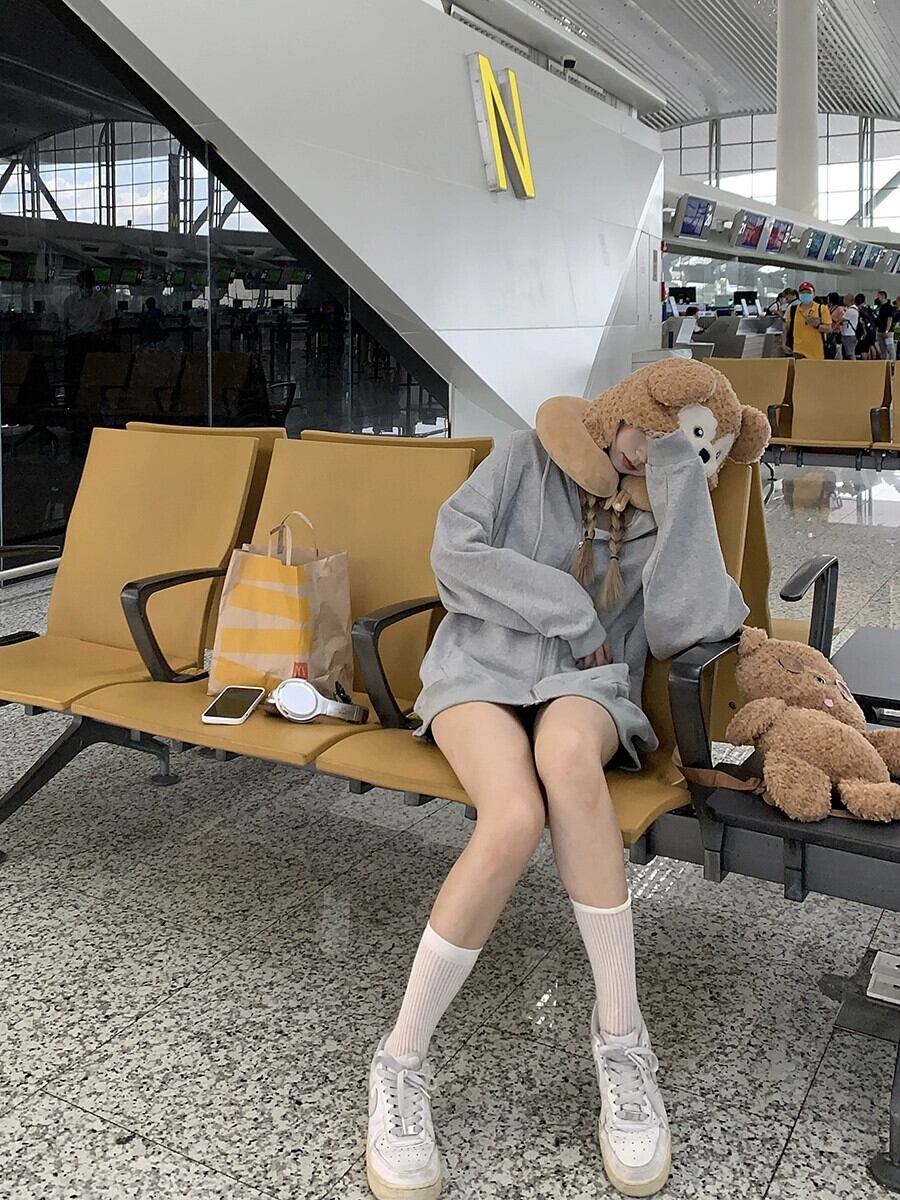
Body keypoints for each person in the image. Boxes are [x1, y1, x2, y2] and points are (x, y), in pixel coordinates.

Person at [365, 360, 768, 1200]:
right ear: (622, 407)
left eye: (675, 444)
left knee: (567, 762)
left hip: (588, 688)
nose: (644, 451)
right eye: (646, 429)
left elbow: (686, 625)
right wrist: (572, 612)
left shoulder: (668, 499)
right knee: (512, 818)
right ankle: (400, 1061)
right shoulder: (524, 456)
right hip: (478, 668)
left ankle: (622, 1041)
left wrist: (682, 492)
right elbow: (453, 553)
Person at [62, 268, 113, 405]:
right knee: (74, 373)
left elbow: (107, 322)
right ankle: (72, 401)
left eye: (87, 285)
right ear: (78, 284)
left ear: (92, 284)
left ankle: (92, 400)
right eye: (82, 285)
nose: (85, 288)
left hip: (93, 340)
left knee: (92, 373)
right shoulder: (70, 301)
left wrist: (102, 334)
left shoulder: (101, 300)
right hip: (75, 340)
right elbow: (65, 322)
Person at [782, 281, 831, 359]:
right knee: (799, 367)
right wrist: (784, 344)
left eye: (808, 292)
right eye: (802, 292)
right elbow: (786, 328)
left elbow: (828, 329)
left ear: (814, 294)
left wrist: (817, 325)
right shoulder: (792, 310)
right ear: (799, 294)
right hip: (798, 352)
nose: (805, 294)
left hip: (816, 353)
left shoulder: (821, 309)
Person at [875, 290, 897, 362]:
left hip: (888, 332)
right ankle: (884, 361)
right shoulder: (881, 307)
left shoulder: (888, 307)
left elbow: (889, 319)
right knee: (882, 349)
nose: (878, 298)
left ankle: (893, 361)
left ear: (883, 297)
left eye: (879, 297)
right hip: (880, 331)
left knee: (890, 348)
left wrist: (887, 330)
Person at [856, 293, 878, 360]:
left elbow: (861, 322)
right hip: (872, 330)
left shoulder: (860, 310)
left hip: (864, 332)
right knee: (870, 347)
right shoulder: (869, 309)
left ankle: (865, 362)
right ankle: (873, 361)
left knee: (863, 349)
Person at [840, 293, 859, 361]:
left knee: (850, 353)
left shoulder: (851, 311)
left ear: (848, 300)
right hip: (849, 334)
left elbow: (841, 320)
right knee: (849, 353)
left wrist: (832, 328)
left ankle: (854, 365)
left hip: (849, 334)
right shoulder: (853, 309)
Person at [827, 293, 845, 359]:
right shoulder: (828, 308)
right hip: (829, 331)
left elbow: (840, 321)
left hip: (836, 331)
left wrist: (833, 327)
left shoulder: (839, 309)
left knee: (837, 348)